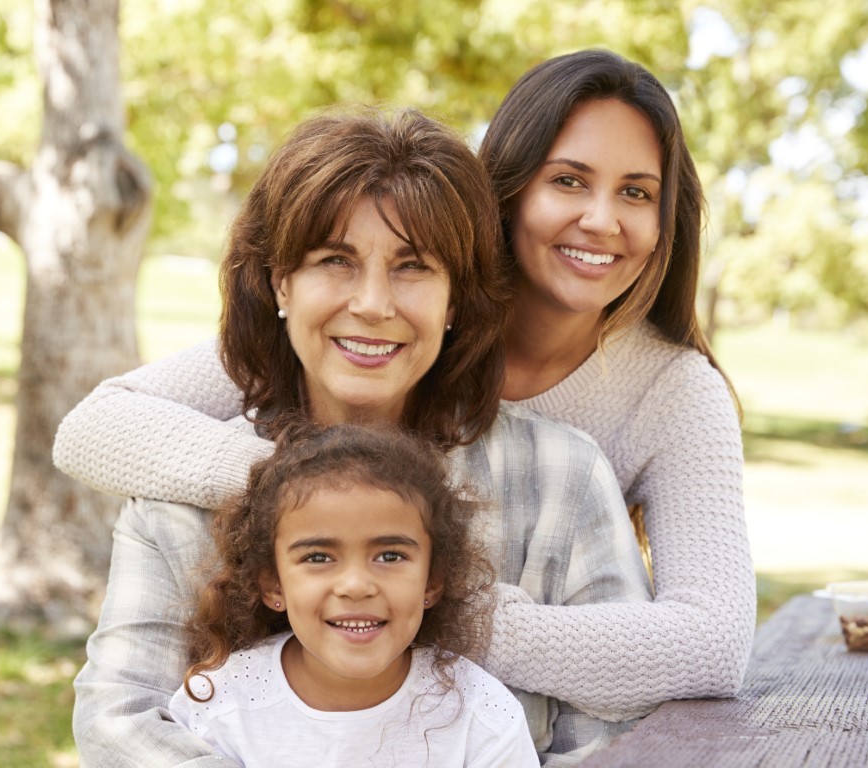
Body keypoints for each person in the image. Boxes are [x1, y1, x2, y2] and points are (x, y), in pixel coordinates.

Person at [54, 49, 756, 721]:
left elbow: (714, 644)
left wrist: (447, 612)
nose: (602, 219)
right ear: (503, 195)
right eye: (568, 180)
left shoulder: (657, 398)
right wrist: (314, 489)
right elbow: (96, 427)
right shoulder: (365, 328)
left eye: (636, 193)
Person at [170, 422, 539, 767]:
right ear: (273, 585)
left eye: (390, 556)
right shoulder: (217, 705)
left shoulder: (482, 715)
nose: (356, 585)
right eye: (318, 557)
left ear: (432, 581)